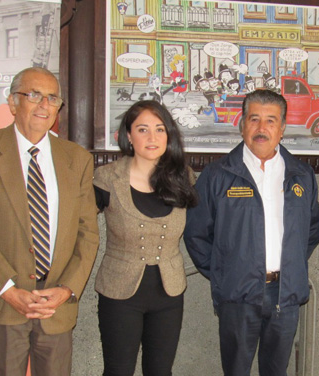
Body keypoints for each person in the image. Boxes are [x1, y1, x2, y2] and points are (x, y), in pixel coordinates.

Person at [0, 67, 100, 375]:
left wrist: (66, 289)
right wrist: (9, 290)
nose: (44, 105)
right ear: (12, 103)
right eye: (33, 95)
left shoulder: (77, 158)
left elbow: (87, 234)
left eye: (52, 98)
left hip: (56, 306)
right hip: (2, 303)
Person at [185, 90, 319, 376]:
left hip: (285, 295)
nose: (262, 128)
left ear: (282, 128)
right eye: (254, 119)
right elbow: (197, 233)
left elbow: (311, 231)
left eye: (271, 120)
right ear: (241, 124)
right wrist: (226, 272)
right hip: (238, 295)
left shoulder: (301, 175)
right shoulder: (218, 175)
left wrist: (290, 264)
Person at [93, 100, 197, 375]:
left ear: (169, 135)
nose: (152, 137)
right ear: (128, 136)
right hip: (120, 292)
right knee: (118, 370)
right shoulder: (106, 178)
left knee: (161, 371)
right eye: (142, 129)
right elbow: (79, 230)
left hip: (169, 293)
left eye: (160, 129)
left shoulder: (183, 177)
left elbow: (202, 227)